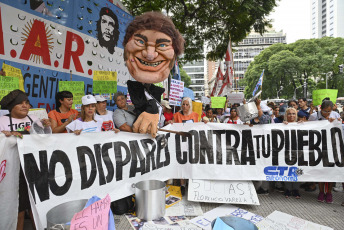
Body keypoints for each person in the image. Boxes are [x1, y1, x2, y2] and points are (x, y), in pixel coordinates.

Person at [123, 11, 184, 138]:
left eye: (162, 45)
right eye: (140, 41)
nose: (150, 55)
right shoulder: (136, 93)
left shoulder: (155, 94)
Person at [0, 89, 51, 230]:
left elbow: (44, 140)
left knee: (37, 206)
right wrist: (5, 136)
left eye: (27, 103)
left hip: (34, 168)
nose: (25, 106)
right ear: (11, 107)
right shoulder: (2, 121)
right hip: (14, 172)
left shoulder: (34, 119)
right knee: (19, 208)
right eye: (20, 103)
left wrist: (46, 127)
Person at [309, 100, 341, 203]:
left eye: (329, 111)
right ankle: (321, 192)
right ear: (320, 109)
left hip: (332, 147)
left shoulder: (335, 115)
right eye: (325, 111)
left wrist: (337, 121)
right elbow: (307, 129)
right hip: (318, 147)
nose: (327, 114)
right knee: (321, 171)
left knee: (330, 171)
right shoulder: (314, 116)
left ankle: (329, 193)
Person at [282, 107, 301, 199]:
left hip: (298, 151)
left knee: (297, 169)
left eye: (293, 114)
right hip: (286, 151)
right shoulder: (281, 125)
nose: (291, 115)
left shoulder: (300, 124)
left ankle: (296, 189)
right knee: (287, 169)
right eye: (289, 114)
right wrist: (282, 125)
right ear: (286, 115)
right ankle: (288, 189)